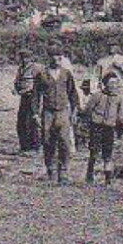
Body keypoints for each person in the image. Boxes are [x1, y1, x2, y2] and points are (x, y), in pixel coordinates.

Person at [33, 47, 81, 184]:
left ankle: (64, 172)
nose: (56, 60)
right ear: (49, 58)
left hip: (63, 111)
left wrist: (74, 112)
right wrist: (36, 114)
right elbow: (36, 95)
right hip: (48, 112)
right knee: (48, 141)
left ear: (62, 58)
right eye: (53, 57)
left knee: (64, 142)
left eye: (59, 57)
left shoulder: (66, 74)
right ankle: (51, 170)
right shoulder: (41, 74)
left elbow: (73, 94)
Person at [83, 71, 123, 185]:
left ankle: (108, 179)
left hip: (109, 128)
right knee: (94, 152)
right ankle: (89, 175)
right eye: (111, 83)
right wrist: (88, 124)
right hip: (96, 126)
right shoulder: (97, 95)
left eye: (115, 83)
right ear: (105, 84)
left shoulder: (119, 98)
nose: (114, 86)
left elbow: (122, 115)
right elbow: (88, 110)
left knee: (108, 154)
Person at [12, 50, 43, 154]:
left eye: (26, 58)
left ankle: (34, 147)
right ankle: (24, 146)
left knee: (31, 121)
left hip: (33, 97)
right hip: (24, 97)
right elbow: (17, 81)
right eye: (22, 58)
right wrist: (16, 89)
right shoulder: (21, 69)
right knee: (21, 122)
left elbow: (35, 85)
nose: (24, 60)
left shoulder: (36, 68)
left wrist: (24, 90)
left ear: (30, 58)